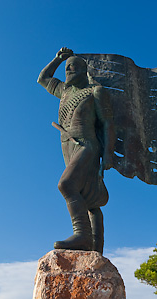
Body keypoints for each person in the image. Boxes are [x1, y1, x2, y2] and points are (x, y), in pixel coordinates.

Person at [37, 47, 115, 254]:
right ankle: (95, 248)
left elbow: (108, 123)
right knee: (87, 196)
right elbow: (43, 78)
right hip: (68, 146)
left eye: (73, 67)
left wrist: (108, 152)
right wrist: (57, 59)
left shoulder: (95, 91)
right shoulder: (64, 91)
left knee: (66, 184)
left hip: (87, 145)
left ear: (84, 71)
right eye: (67, 68)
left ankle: (81, 235)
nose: (69, 70)